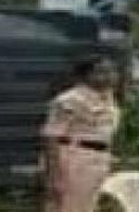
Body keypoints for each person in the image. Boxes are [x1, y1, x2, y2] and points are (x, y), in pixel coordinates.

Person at [41, 56, 121, 212]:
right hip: (75, 157)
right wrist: (54, 176)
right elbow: (51, 136)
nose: (109, 76)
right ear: (86, 75)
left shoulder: (108, 99)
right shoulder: (70, 100)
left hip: (98, 159)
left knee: (87, 206)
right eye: (102, 72)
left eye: (112, 72)